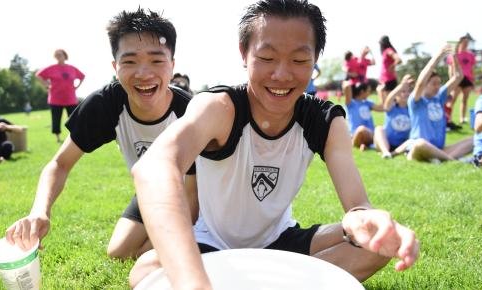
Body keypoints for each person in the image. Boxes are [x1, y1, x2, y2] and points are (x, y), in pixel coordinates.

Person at [129, 1, 419, 289]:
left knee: (377, 246)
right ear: (244, 54)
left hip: (280, 243)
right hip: (211, 244)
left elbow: (357, 207)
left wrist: (365, 222)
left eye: (299, 60)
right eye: (267, 58)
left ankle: (246, 282)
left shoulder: (325, 121)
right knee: (146, 270)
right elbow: (154, 167)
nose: (282, 74)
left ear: (316, 58)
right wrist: (192, 282)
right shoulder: (219, 108)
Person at [5, 8, 198, 261]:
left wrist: (162, 240)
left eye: (156, 60)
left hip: (194, 193)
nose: (143, 73)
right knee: (119, 253)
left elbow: (194, 193)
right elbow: (59, 164)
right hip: (153, 188)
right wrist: (40, 211)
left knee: (150, 255)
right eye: (129, 61)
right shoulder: (105, 105)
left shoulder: (191, 112)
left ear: (172, 66)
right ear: (115, 66)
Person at [407, 45, 473, 162]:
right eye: (434, 83)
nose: (438, 86)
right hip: (418, 150)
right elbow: (420, 82)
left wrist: (454, 58)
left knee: (474, 139)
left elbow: (458, 77)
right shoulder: (416, 101)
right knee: (421, 143)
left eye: (439, 83)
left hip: (439, 149)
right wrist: (438, 56)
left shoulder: (439, 97)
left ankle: (441, 158)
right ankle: (453, 160)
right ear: (425, 85)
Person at [36, 49, 85, 143]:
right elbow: (39, 75)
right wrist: (46, 85)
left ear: (65, 56)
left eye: (60, 54)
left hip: (70, 99)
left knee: (74, 118)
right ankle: (58, 138)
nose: (59, 56)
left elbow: (82, 76)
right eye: (57, 55)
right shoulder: (51, 68)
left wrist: (77, 86)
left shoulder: (72, 68)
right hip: (55, 99)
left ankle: (75, 136)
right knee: (56, 119)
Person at [374, 75, 414, 159]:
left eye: (408, 91)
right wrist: (402, 85)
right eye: (403, 91)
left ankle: (394, 153)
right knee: (379, 129)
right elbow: (389, 98)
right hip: (386, 142)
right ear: (396, 95)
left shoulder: (412, 109)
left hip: (403, 144)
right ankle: (386, 152)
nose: (406, 94)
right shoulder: (391, 107)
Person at [343, 81, 383, 151]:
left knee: (380, 129)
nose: (369, 93)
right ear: (362, 92)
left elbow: (382, 108)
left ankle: (365, 144)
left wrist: (380, 92)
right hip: (356, 135)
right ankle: (366, 144)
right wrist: (351, 77)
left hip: (370, 134)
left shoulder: (368, 103)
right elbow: (347, 87)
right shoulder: (350, 103)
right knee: (361, 129)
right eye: (368, 91)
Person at [445, 36, 476, 125]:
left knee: (465, 99)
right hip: (457, 78)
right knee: (453, 100)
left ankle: (462, 118)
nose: (466, 44)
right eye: (464, 42)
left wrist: (473, 79)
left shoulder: (470, 55)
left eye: (467, 42)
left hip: (467, 79)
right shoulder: (454, 54)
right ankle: (448, 118)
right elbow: (450, 68)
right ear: (460, 43)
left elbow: (472, 68)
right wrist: (452, 79)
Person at [377, 36, 402, 104]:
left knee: (390, 103)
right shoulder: (385, 52)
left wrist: (392, 65)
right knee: (388, 103)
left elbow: (398, 60)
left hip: (389, 80)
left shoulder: (388, 50)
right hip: (385, 80)